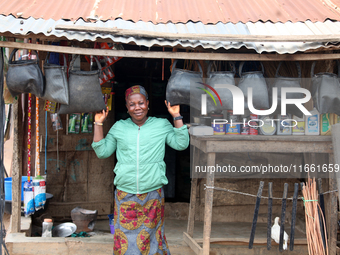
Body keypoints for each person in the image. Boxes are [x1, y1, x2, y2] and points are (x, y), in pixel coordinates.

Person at [92, 85, 189, 255]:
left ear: (148, 103)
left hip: (152, 194)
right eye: (132, 104)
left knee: (152, 239)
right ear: (127, 107)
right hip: (125, 194)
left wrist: (176, 116)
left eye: (141, 103)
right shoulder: (119, 128)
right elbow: (102, 152)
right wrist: (98, 123)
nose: (137, 107)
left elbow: (181, 144)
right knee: (125, 240)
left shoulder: (161, 125)